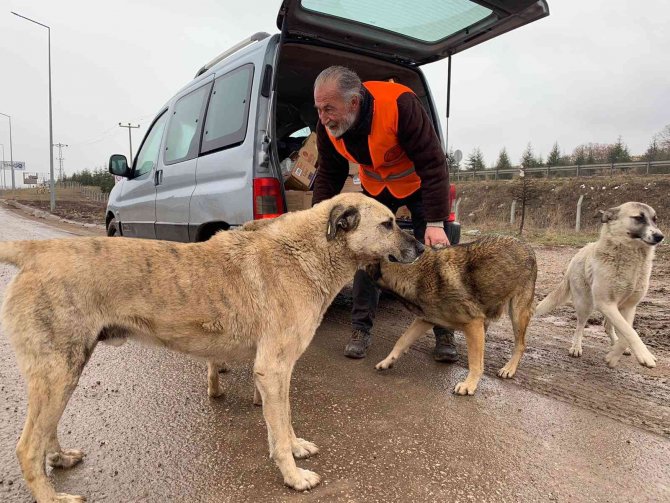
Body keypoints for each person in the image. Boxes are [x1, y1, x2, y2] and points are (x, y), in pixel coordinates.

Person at [311, 65, 458, 362]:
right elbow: (329, 172)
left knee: (436, 253)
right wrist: (316, 220)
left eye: (329, 108)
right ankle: (360, 330)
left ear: (354, 102)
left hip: (417, 184)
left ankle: (444, 332)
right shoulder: (326, 127)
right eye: (319, 109)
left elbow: (433, 164)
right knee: (367, 249)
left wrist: (434, 222)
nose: (323, 117)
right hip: (377, 188)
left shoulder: (400, 106)